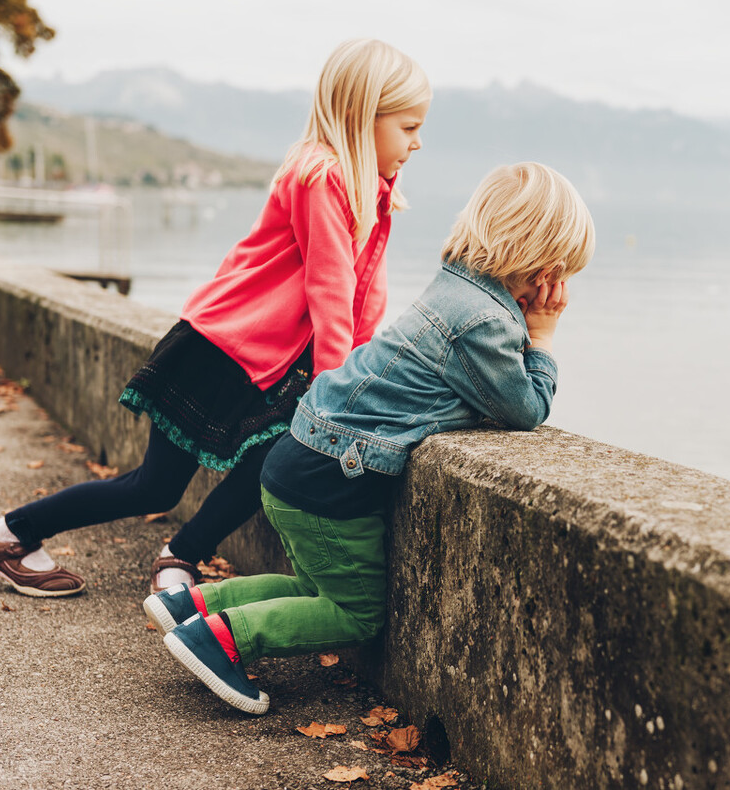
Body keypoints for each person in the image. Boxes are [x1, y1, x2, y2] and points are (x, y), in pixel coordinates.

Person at [0, 39, 431, 597]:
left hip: (269, 363)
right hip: (217, 348)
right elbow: (329, 293)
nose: (418, 143)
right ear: (362, 118)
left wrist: (351, 380)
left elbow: (365, 298)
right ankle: (11, 533)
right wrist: (336, 395)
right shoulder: (321, 176)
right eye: (408, 127)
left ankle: (181, 556)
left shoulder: (372, 191)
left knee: (267, 462)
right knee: (154, 488)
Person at [141, 162, 595, 714]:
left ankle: (192, 607)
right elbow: (525, 410)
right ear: (542, 265)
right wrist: (542, 338)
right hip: (333, 480)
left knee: (315, 591)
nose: (554, 289)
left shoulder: (453, 284)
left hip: (299, 458)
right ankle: (217, 640)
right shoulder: (486, 322)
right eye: (557, 274)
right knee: (355, 614)